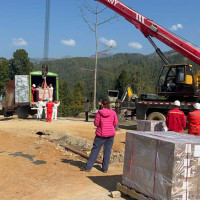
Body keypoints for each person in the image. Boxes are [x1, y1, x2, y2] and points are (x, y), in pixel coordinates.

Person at [85, 99, 118, 172]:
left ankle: (88, 167)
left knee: (95, 150)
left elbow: (96, 124)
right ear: (109, 104)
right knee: (107, 151)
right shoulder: (113, 112)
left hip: (100, 134)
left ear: (102, 105)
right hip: (110, 135)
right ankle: (105, 169)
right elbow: (115, 123)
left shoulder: (99, 113)